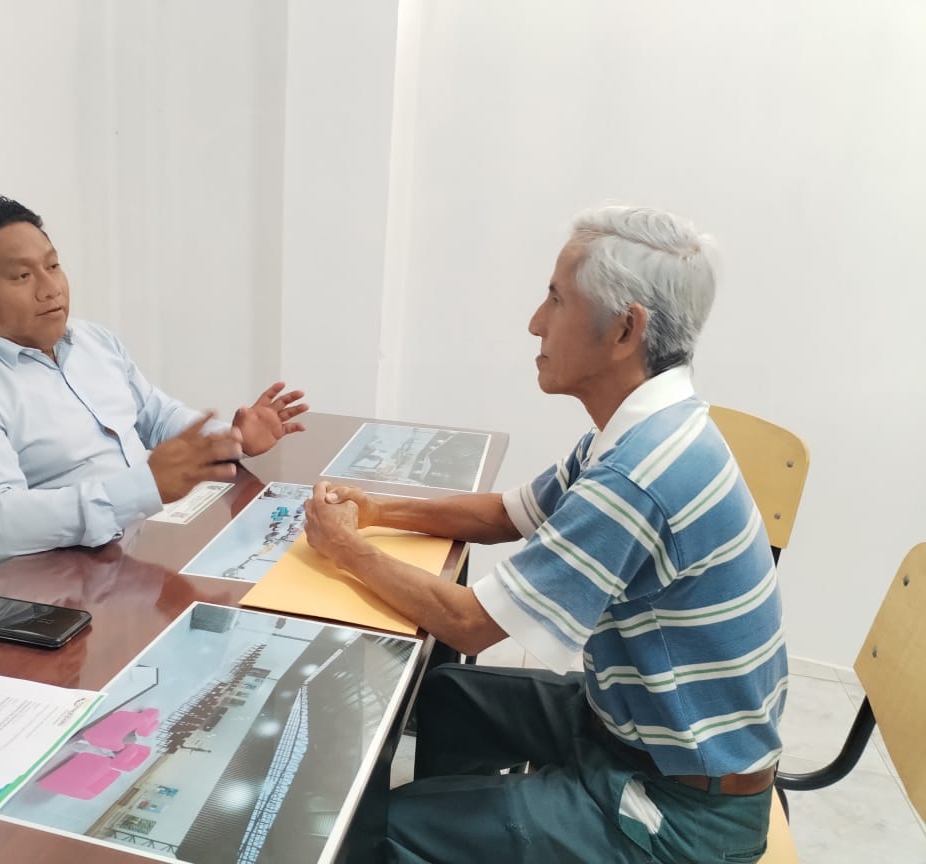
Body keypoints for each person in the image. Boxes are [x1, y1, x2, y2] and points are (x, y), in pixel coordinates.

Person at [303, 206, 786, 863]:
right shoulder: (644, 429)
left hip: (682, 814)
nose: (536, 322)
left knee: (375, 833)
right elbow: (506, 515)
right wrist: (378, 510)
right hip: (626, 732)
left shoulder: (638, 474)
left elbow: (470, 625)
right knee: (448, 697)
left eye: (556, 299)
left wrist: (344, 548)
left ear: (625, 329)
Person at [0, 195, 307, 572]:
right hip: (55, 586)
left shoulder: (93, 340)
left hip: (143, 547)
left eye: (53, 266)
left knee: (292, 566)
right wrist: (144, 487)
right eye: (22, 276)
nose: (50, 289)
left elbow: (157, 416)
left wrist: (231, 439)